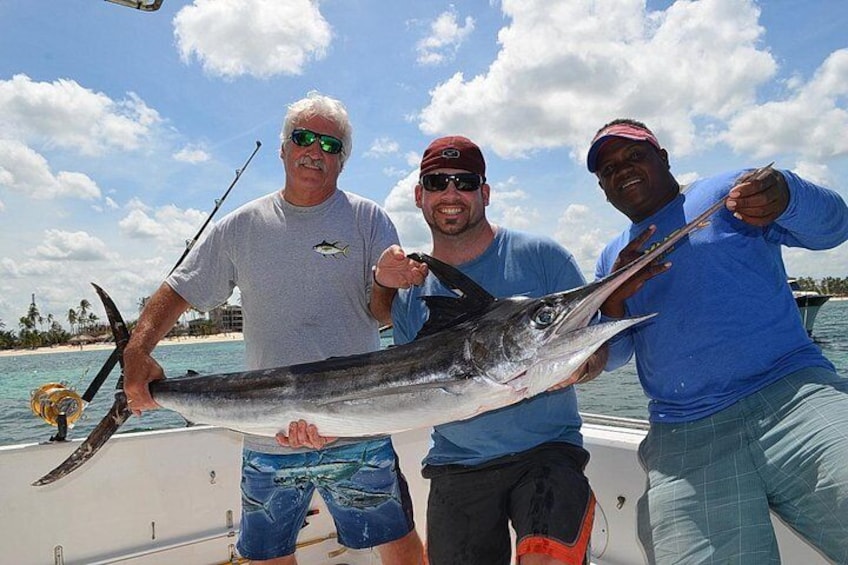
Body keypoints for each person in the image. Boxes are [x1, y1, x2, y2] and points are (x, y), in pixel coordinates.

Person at [122, 92, 425, 565]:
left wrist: (388, 281)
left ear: (342, 160)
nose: (314, 151)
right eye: (303, 138)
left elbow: (385, 314)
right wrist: (138, 352)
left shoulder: (369, 220)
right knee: (267, 555)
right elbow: (178, 288)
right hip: (268, 429)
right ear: (283, 148)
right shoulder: (240, 226)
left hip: (358, 423)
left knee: (399, 541)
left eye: (330, 144)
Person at [588, 118, 848, 564]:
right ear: (603, 189)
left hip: (796, 396)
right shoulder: (611, 258)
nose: (623, 170)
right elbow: (614, 357)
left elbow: (835, 228)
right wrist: (612, 300)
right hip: (684, 434)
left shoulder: (726, 191)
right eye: (608, 169)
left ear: (663, 158)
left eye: (634, 155)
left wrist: (786, 193)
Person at [376, 135, 604, 565]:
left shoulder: (544, 257)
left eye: (463, 182)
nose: (451, 194)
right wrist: (320, 422)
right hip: (457, 464)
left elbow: (597, 349)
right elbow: (405, 392)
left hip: (547, 452)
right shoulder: (410, 294)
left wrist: (584, 366)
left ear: (484, 192)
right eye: (437, 182)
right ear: (419, 196)